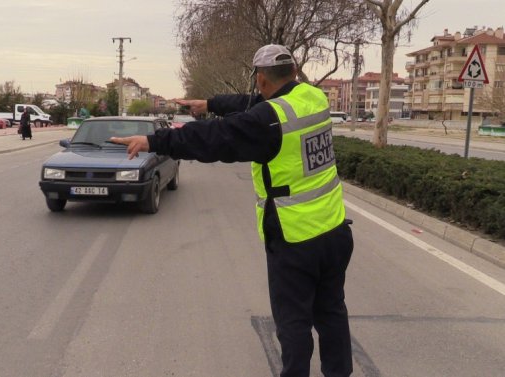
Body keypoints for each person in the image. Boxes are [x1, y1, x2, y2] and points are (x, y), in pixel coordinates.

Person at [110, 44, 354, 377]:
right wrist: (210, 104)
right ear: (294, 73)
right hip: (335, 230)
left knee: (294, 324)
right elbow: (250, 105)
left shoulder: (269, 120)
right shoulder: (313, 98)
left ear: (261, 79)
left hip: (295, 238)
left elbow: (216, 138)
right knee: (331, 313)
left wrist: (155, 141)